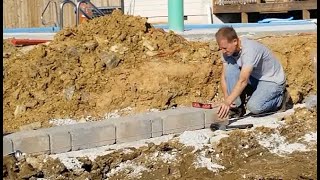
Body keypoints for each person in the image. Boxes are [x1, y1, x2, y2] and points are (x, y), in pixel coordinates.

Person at [215, 26, 292, 119]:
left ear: (235, 41)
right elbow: (224, 77)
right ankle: (237, 108)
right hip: (254, 77)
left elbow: (243, 80)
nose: (223, 51)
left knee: (254, 107)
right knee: (230, 69)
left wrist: (227, 102)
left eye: (225, 48)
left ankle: (281, 99)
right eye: (221, 48)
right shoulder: (227, 52)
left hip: (271, 80)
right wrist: (227, 98)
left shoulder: (249, 50)